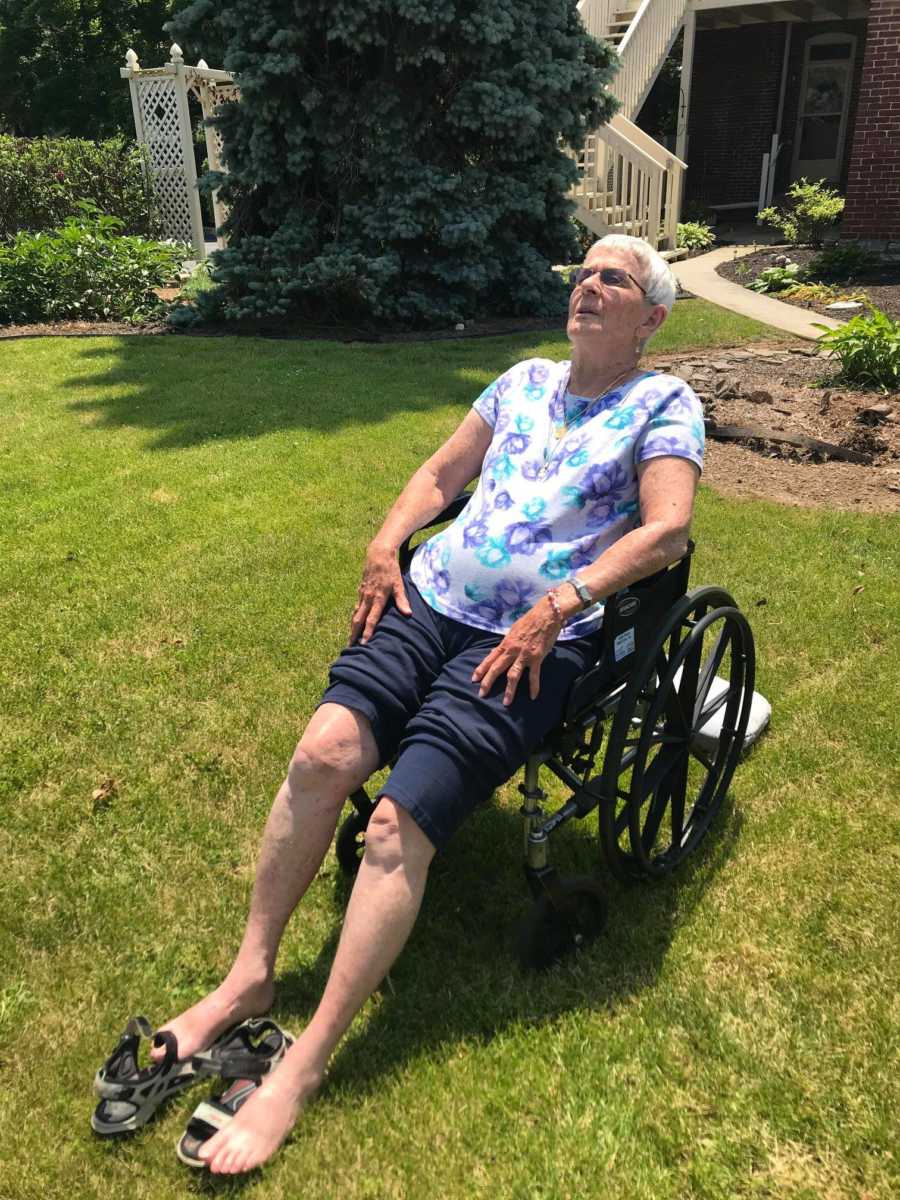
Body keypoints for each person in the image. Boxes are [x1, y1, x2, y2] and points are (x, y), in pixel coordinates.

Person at [150, 234, 704, 1174]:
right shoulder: (522, 379)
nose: (588, 286)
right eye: (582, 272)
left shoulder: (663, 403)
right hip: (432, 597)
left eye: (614, 279)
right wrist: (386, 542)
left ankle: (305, 1065)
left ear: (650, 318)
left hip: (533, 641)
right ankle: (248, 979)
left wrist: (558, 605)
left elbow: (669, 530)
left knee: (397, 828)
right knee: (323, 753)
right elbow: (442, 476)